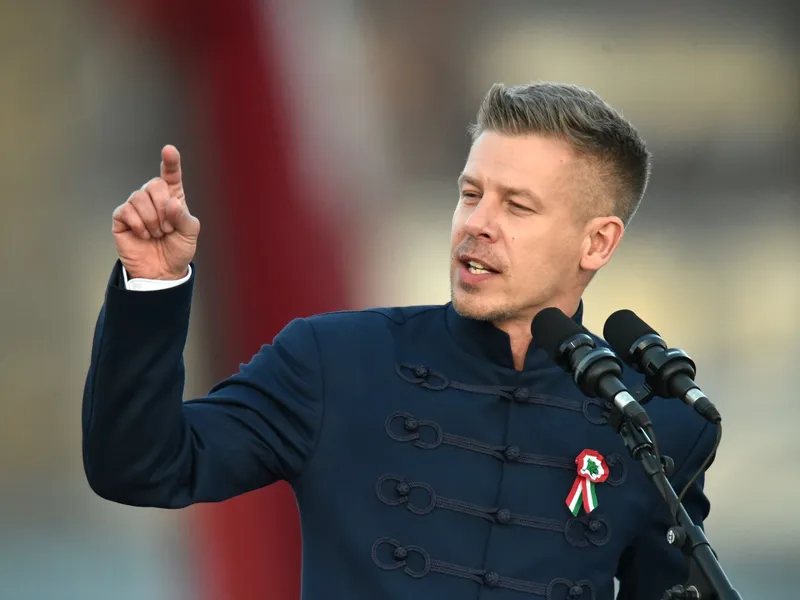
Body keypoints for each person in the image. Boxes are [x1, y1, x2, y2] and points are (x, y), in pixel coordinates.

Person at [83, 82, 717, 600]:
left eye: (517, 207)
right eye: (470, 194)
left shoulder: (656, 422)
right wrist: (153, 285)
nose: (477, 224)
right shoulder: (336, 361)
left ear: (597, 242)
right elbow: (141, 466)